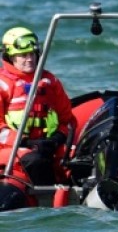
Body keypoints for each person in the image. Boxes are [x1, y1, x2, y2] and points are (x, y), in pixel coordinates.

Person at [0, 26, 73, 185]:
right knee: (37, 161)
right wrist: (26, 143)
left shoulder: (49, 81)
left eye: (32, 54)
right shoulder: (3, 84)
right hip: (10, 148)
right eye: (23, 55)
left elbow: (67, 120)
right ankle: (47, 202)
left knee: (80, 160)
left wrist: (55, 140)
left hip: (47, 143)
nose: (30, 59)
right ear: (10, 57)